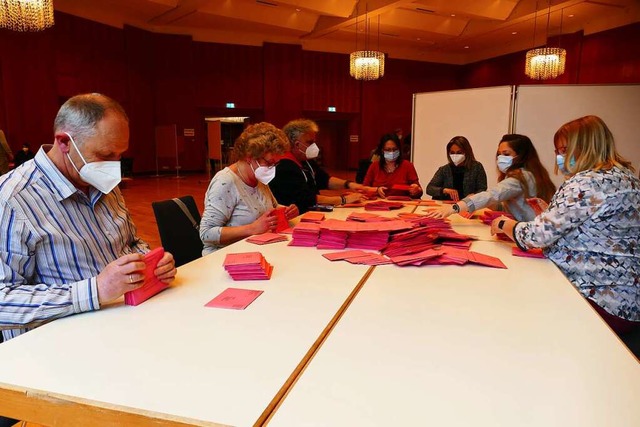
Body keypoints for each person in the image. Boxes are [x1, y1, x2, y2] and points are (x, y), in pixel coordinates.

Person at [0, 93, 177, 342]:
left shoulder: (100, 181)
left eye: (120, 155)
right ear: (64, 142)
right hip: (55, 348)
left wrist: (150, 264)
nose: (114, 167)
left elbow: (131, 243)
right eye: (105, 155)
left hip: (123, 325)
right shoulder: (11, 200)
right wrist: (95, 290)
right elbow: (3, 301)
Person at [491, 116, 640, 334]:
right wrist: (551, 215)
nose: (560, 157)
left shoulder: (584, 182)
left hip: (597, 297)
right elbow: (600, 230)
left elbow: (537, 236)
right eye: (557, 151)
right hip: (629, 299)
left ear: (585, 147)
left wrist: (505, 224)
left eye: (564, 150)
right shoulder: (629, 179)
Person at [200, 122, 299, 255]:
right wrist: (252, 229)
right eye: (269, 163)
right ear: (249, 157)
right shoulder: (225, 182)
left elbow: (271, 208)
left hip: (257, 251)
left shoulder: (258, 178)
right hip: (226, 257)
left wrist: (286, 211)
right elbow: (206, 233)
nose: (272, 168)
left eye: (275, 164)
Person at [427, 134, 555, 221]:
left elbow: (490, 195)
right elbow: (509, 207)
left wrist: (454, 208)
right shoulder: (444, 169)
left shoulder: (520, 178)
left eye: (506, 154)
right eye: (499, 154)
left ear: (521, 155)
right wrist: (489, 204)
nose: (500, 158)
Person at [269, 119, 377, 213]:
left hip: (310, 212)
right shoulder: (284, 166)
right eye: (310, 142)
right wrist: (343, 200)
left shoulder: (305, 160)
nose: (314, 146)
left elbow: (324, 179)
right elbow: (307, 199)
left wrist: (351, 185)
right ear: (297, 144)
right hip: (297, 216)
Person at [426, 136, 487, 201]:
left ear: (467, 152)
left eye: (459, 152)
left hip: (469, 206)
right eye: (452, 153)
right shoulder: (444, 169)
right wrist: (444, 190)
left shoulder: (477, 167)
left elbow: (482, 189)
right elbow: (429, 189)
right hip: (447, 206)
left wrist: (474, 195)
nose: (455, 155)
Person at [363, 133, 423, 198]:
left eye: (395, 149)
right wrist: (376, 190)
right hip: (378, 204)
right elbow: (364, 188)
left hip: (403, 204)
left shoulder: (407, 165)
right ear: (382, 150)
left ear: (399, 150)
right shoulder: (374, 166)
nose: (392, 152)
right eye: (388, 150)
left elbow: (419, 192)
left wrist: (416, 190)